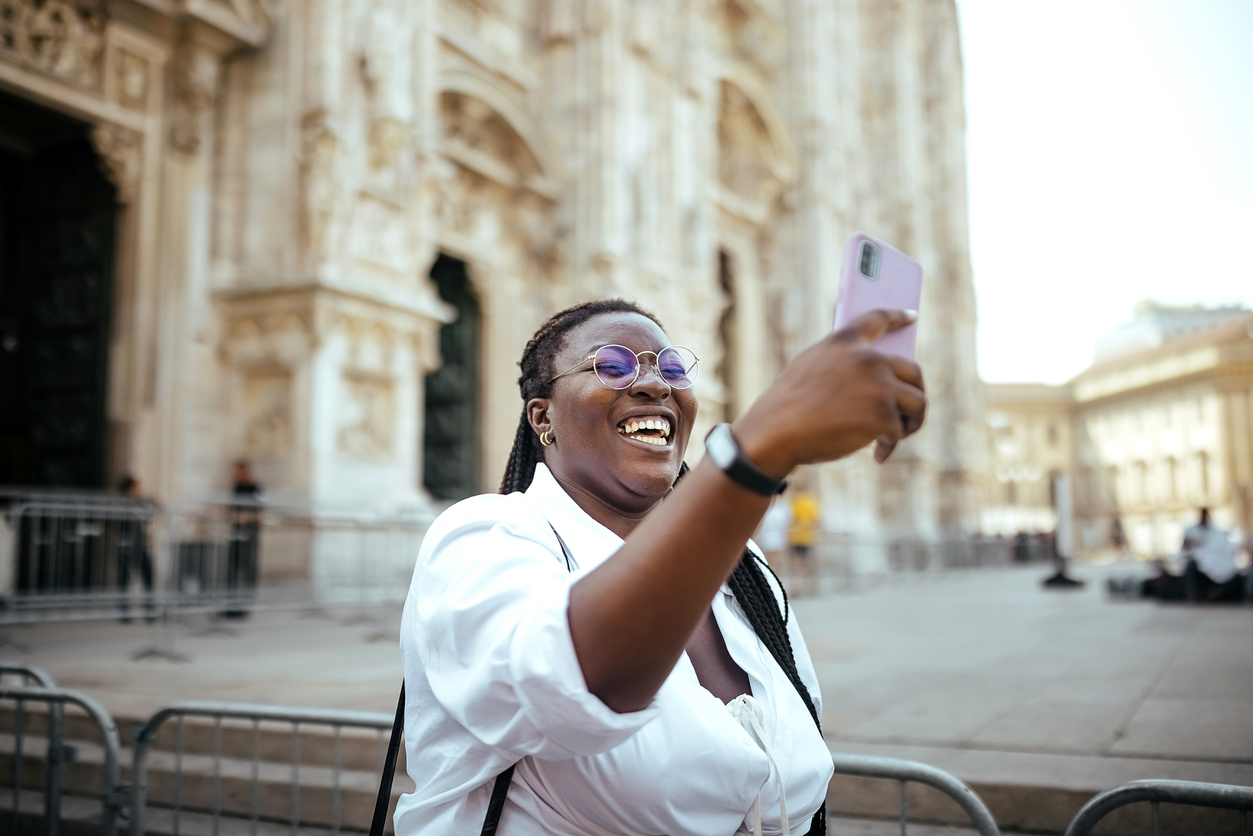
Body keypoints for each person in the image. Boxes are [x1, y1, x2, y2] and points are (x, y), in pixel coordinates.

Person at [396, 299, 926, 835]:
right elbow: (577, 678)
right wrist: (759, 449)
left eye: (672, 368)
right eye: (613, 365)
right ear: (543, 417)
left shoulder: (742, 566)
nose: (654, 384)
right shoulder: (484, 536)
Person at [223, 460, 264, 618]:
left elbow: (261, 512)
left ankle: (245, 603)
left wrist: (245, 518)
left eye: (238, 472)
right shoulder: (236, 488)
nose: (235, 475)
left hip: (250, 534)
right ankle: (230, 604)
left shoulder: (256, 488)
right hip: (235, 533)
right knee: (232, 567)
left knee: (247, 567)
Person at [115, 475, 155, 622]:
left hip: (140, 543)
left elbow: (147, 516)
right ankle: (124, 613)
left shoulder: (140, 502)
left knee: (148, 572)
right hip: (124, 543)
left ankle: (150, 611)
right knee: (124, 578)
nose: (139, 490)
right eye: (137, 487)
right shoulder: (119, 502)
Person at [1182, 508, 1240, 602]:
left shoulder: (1215, 530)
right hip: (1199, 560)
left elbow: (1219, 545)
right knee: (1191, 565)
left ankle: (1214, 593)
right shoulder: (1191, 529)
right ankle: (1192, 595)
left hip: (1213, 562)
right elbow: (1184, 547)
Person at [788, 488, 821, 597]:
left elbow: (815, 521)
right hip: (798, 538)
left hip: (803, 538)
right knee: (799, 564)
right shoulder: (797, 503)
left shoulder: (804, 504)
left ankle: (803, 586)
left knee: (801, 564)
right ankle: (801, 586)